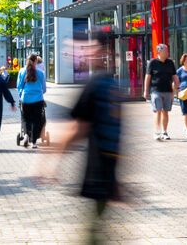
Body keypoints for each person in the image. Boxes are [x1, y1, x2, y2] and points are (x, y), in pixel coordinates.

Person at [60, 33, 122, 245]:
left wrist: (52, 160)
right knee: (99, 224)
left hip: (99, 167)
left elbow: (79, 128)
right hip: (109, 165)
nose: (81, 53)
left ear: (101, 52)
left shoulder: (96, 84)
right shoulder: (112, 83)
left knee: (96, 231)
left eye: (86, 48)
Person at [143, 43, 178, 141]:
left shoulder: (170, 63)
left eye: (167, 51)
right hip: (156, 90)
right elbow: (147, 77)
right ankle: (157, 132)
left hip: (168, 90)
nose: (167, 53)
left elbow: (174, 76)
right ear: (159, 52)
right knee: (158, 111)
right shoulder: (153, 63)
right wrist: (146, 90)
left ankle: (165, 132)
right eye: (165, 51)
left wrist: (177, 85)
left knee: (165, 112)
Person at [17, 53, 47, 149]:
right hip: (38, 99)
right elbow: (44, 89)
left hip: (26, 99)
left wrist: (21, 95)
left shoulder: (22, 71)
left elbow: (19, 86)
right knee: (36, 120)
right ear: (36, 61)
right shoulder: (41, 73)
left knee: (25, 119)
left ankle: (26, 135)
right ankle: (33, 142)